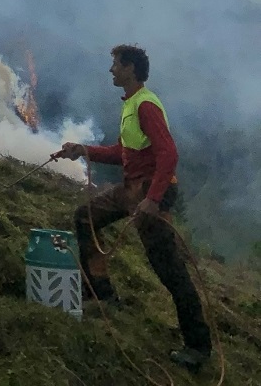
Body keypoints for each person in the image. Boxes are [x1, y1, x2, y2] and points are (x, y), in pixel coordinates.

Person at [54, 44, 211, 372]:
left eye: (116, 64)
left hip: (149, 192)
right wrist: (83, 149)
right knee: (85, 218)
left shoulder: (145, 105)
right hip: (132, 189)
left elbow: (169, 154)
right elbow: (122, 152)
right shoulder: (131, 103)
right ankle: (102, 293)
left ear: (130, 68)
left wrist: (153, 199)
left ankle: (198, 348)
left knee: (169, 269)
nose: (111, 69)